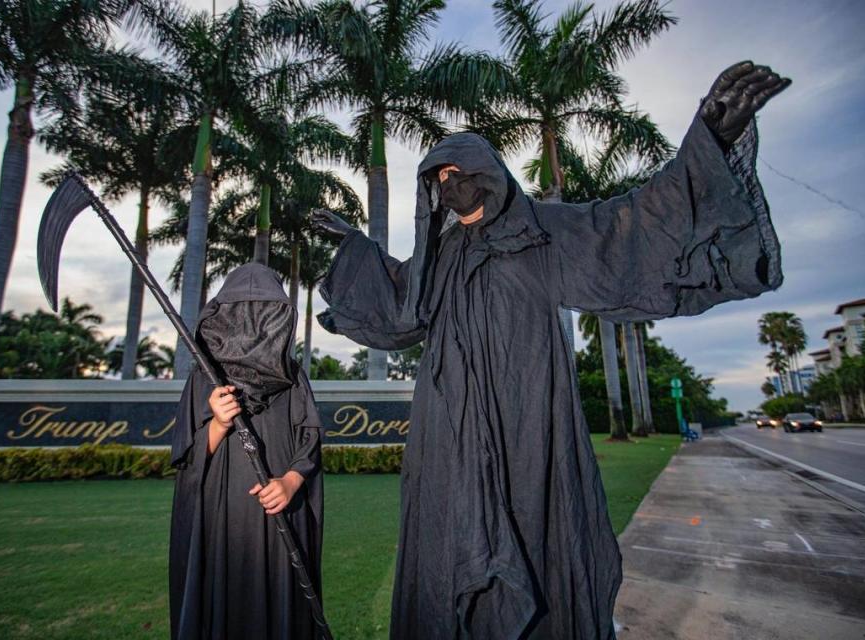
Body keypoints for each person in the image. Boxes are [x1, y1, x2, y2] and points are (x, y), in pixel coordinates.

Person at [312, 61, 790, 639]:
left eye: (460, 172)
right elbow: (396, 305)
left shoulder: (545, 233)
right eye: (438, 179)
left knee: (538, 543)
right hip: (448, 440)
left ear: (488, 172)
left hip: (528, 428)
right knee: (448, 551)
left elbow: (634, 222)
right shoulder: (438, 260)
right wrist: (356, 245)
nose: (450, 185)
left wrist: (714, 136)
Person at [168, 263, 323, 640]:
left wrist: (289, 481)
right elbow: (186, 457)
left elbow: (310, 442)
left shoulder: (292, 376)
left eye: (263, 312)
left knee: (281, 602)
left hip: (280, 513)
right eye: (243, 311)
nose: (252, 324)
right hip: (224, 520)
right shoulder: (205, 376)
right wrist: (217, 424)